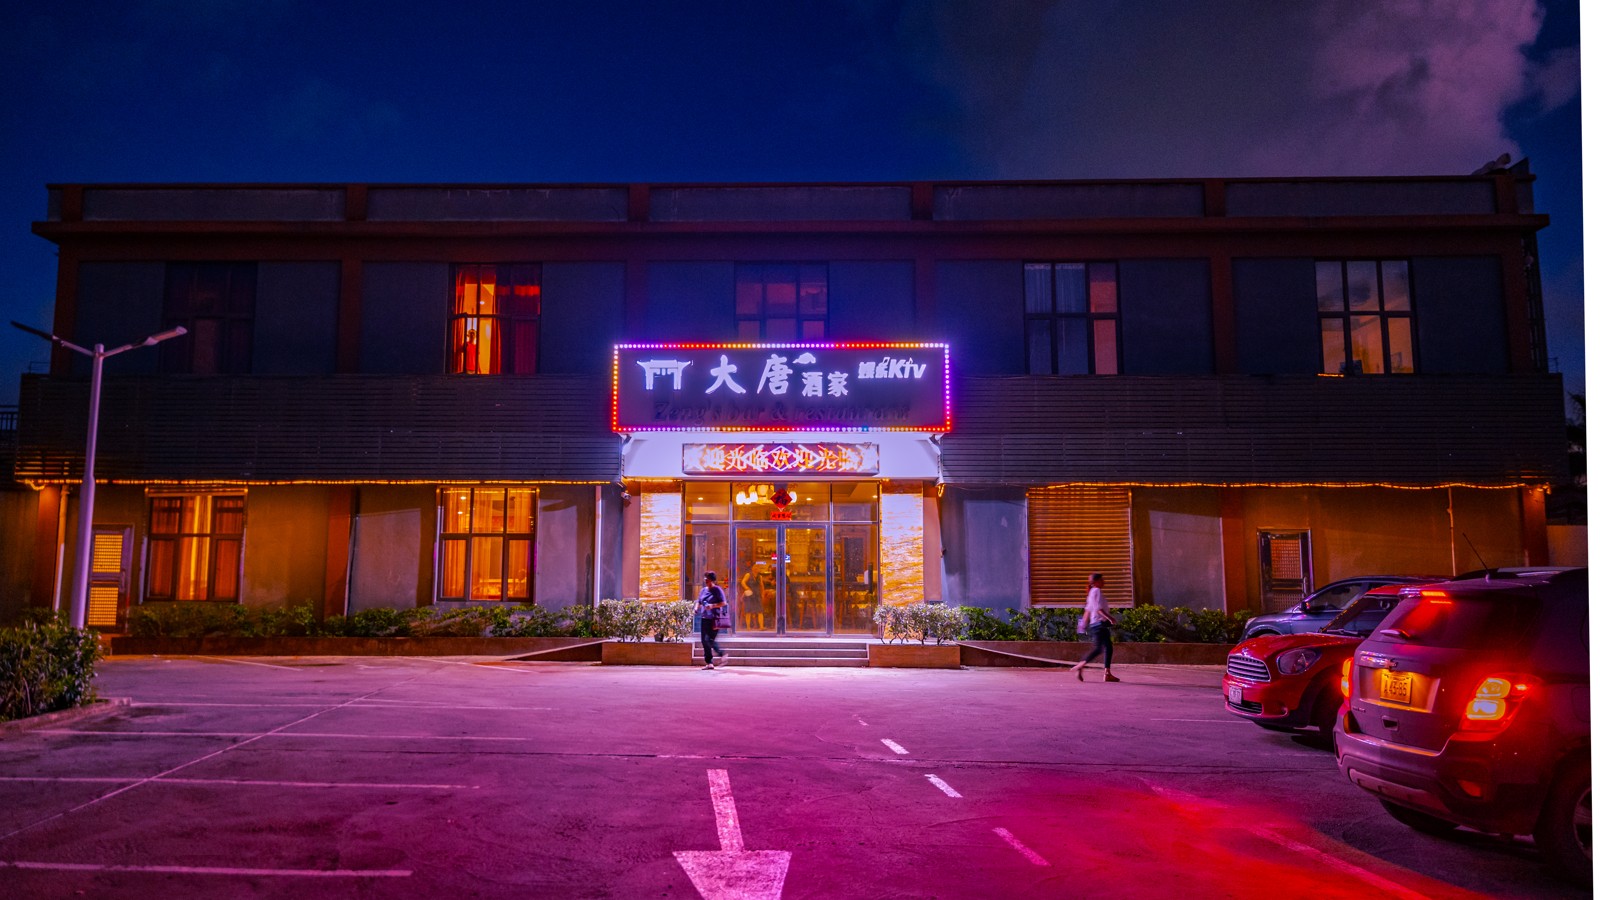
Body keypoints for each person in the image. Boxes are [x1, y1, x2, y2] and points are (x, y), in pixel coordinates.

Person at [1070, 573, 1119, 682]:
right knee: (1099, 648)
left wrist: (1082, 625)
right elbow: (1098, 609)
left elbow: (1087, 611)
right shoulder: (1097, 591)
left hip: (1095, 625)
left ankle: (1107, 673)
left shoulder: (1091, 593)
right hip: (1100, 624)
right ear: (1096, 582)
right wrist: (1110, 618)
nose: (1104, 582)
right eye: (1101, 580)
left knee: (1108, 647)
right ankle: (1082, 664)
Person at [696, 571, 729, 670]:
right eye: (705, 578)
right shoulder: (703, 590)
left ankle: (721, 654)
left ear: (712, 580)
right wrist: (696, 608)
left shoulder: (717, 590)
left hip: (714, 619)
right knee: (704, 641)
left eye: (707, 578)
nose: (706, 580)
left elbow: (724, 603)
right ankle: (709, 662)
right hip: (704, 618)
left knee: (709, 640)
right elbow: (699, 601)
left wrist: (712, 606)